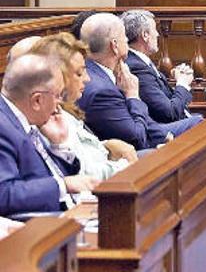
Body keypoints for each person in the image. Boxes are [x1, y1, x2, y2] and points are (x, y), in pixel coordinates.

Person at [77, 14, 193, 150]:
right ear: (114, 45)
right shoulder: (101, 91)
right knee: (199, 125)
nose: (127, 39)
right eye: (123, 36)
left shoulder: (102, 72)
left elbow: (145, 125)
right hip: (130, 157)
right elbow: (137, 138)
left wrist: (163, 135)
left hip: (147, 135)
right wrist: (133, 95)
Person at [29, 33, 136, 180]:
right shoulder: (47, 119)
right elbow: (82, 172)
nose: (87, 79)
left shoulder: (63, 110)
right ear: (57, 77)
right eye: (79, 73)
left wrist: (106, 146)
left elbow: (81, 149)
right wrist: (127, 165)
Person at [0, 54, 96, 216]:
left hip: (71, 209)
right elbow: (4, 194)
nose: (60, 102)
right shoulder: (3, 127)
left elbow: (49, 172)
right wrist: (63, 185)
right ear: (37, 100)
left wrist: (58, 145)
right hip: (41, 227)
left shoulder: (24, 115)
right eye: (58, 95)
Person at [122, 10, 201, 124]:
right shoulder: (137, 67)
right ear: (145, 35)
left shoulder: (141, 61)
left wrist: (178, 79)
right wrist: (182, 84)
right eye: (154, 30)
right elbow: (169, 113)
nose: (158, 34)